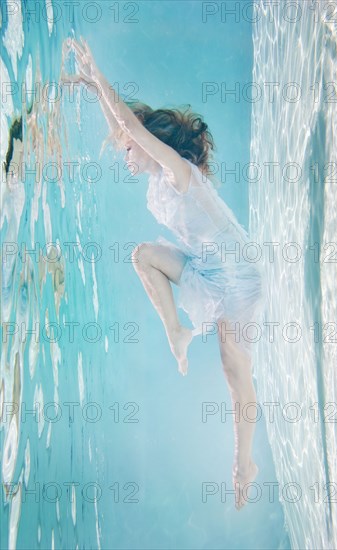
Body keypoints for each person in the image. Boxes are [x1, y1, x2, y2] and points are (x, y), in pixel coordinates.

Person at [62, 37, 266, 510]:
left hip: (237, 276)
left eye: (127, 148)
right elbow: (126, 128)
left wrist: (100, 76)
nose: (122, 154)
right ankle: (176, 329)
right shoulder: (157, 176)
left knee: (235, 371)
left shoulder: (177, 172)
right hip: (205, 267)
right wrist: (93, 89)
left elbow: (131, 127)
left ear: (149, 144)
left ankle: (244, 462)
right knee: (143, 255)